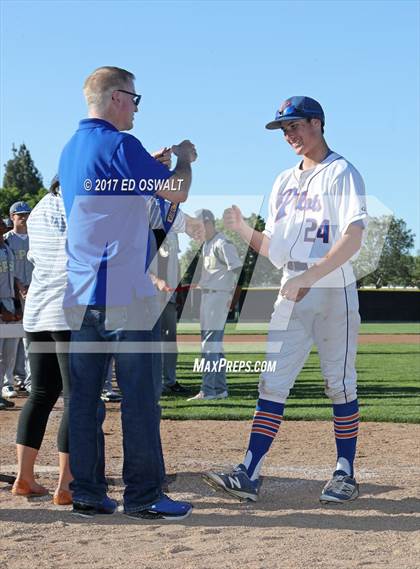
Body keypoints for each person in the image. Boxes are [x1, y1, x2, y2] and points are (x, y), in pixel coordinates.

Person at [203, 96, 367, 504]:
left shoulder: (342, 172)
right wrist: (242, 228)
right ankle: (250, 472)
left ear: (318, 123)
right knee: (272, 381)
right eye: (284, 130)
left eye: (294, 126)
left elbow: (354, 235)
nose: (289, 135)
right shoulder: (282, 181)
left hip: (332, 286)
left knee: (339, 382)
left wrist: (312, 276)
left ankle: (344, 473)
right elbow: (275, 249)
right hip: (291, 286)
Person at [59, 66, 197, 520]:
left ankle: (88, 493)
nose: (136, 108)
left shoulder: (71, 149)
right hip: (125, 291)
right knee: (139, 399)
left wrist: (145, 166)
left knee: (84, 401)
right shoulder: (121, 144)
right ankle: (143, 496)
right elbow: (175, 193)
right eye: (135, 100)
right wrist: (184, 160)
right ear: (117, 98)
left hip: (81, 292)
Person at [11, 179, 73, 505]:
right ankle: (67, 484)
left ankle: (24, 477)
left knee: (41, 393)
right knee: (77, 397)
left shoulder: (38, 210)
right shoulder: (80, 203)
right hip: (67, 310)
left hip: (37, 309)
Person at [188, 209, 242, 401]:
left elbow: (238, 270)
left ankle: (208, 390)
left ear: (209, 223)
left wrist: (231, 299)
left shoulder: (222, 243)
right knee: (214, 346)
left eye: (199, 225)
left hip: (218, 298)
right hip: (209, 296)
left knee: (209, 345)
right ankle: (219, 389)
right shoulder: (207, 244)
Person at [5, 201, 33, 395]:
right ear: (12, 216)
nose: (23, 217)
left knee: (30, 338)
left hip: (34, 292)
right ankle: (9, 380)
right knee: (11, 341)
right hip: (13, 295)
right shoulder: (6, 239)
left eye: (26, 214)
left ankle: (29, 380)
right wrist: (19, 286)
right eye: (20, 214)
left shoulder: (36, 238)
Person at [0, 218, 21, 409]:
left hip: (10, 304)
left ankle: (3, 389)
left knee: (9, 354)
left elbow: (12, 278)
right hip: (1, 307)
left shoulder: (7, 248)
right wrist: (2, 310)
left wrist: (17, 306)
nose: (3, 227)